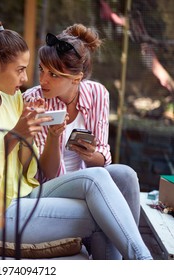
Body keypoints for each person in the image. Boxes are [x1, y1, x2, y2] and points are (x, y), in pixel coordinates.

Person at [0, 19, 152, 260]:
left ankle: (138, 263)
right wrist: (15, 136)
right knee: (106, 208)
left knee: (106, 177)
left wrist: (32, 137)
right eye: (21, 70)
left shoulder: (12, 101)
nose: (26, 79)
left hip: (24, 194)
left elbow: (25, 171)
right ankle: (143, 263)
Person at [22, 24, 141, 227]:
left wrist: (90, 154)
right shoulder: (33, 99)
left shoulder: (98, 94)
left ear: (76, 79)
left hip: (91, 178)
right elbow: (46, 174)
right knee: (96, 183)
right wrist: (53, 137)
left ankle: (125, 256)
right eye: (41, 70)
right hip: (51, 187)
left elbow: (102, 157)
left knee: (127, 175)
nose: (43, 80)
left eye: (54, 74)